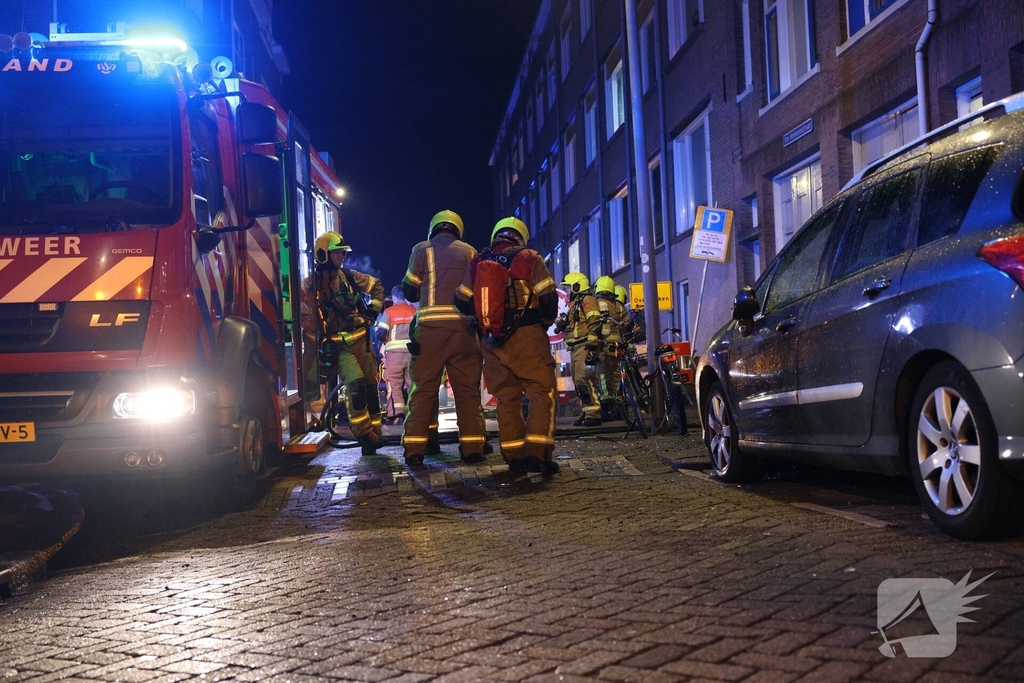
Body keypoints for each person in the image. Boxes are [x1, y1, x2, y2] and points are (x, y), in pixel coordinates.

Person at [455, 216, 559, 475]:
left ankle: (514, 456)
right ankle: (538, 454)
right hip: (527, 337)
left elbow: (460, 299)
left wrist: (486, 322)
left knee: (506, 397)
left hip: (492, 342)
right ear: (520, 236)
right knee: (541, 392)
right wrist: (544, 323)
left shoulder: (479, 261)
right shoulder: (529, 258)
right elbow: (547, 297)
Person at [401, 209, 488, 467]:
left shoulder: (421, 249)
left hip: (429, 333)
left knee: (422, 391)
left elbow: (410, 290)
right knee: (467, 393)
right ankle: (473, 448)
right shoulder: (471, 252)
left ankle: (415, 451)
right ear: (457, 229)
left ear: (434, 228)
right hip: (464, 333)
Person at [313, 231, 387, 455]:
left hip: (362, 341)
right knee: (355, 385)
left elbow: (377, 287)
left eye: (344, 253)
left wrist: (373, 310)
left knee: (371, 388)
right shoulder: (312, 283)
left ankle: (374, 438)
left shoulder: (350, 276)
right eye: (338, 252)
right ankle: (364, 433)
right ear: (324, 254)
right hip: (339, 346)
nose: (342, 256)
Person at [554, 271, 604, 427]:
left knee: (585, 380)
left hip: (584, 346)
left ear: (577, 286)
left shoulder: (588, 300)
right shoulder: (575, 304)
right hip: (576, 348)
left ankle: (594, 414)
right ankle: (586, 411)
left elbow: (595, 321)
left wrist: (592, 343)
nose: (567, 291)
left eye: (569, 287)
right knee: (578, 382)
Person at [375, 286, 417, 425]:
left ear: (393, 298)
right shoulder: (414, 311)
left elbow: (381, 333)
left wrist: (384, 342)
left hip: (395, 355)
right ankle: (415, 415)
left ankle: (397, 416)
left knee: (394, 384)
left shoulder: (389, 312)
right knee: (413, 385)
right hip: (412, 354)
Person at [594, 275, 628, 420]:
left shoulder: (598, 304)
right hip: (617, 348)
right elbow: (627, 323)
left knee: (602, 376)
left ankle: (606, 406)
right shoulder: (619, 305)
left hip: (603, 347)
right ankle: (618, 407)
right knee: (616, 377)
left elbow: (594, 324)